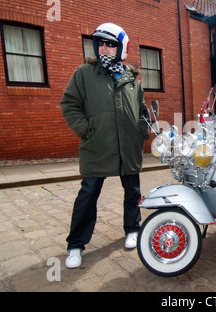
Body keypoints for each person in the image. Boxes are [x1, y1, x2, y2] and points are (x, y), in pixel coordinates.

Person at [60, 23, 150, 269]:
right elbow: (69, 104)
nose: (104, 48)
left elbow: (141, 108)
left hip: (128, 147)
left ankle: (133, 228)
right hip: (98, 145)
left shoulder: (131, 77)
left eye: (110, 43)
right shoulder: (85, 73)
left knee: (132, 191)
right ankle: (76, 245)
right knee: (88, 194)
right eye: (100, 43)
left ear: (122, 47)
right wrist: (86, 130)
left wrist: (143, 128)